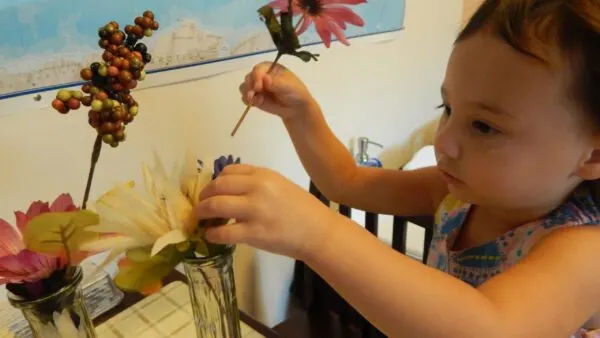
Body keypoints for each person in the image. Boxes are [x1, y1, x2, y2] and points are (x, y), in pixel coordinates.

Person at [194, 1, 600, 337]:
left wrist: (317, 234)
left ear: (594, 156)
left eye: (484, 126)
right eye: (448, 109)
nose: (442, 143)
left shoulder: (582, 250)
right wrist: (302, 115)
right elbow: (347, 182)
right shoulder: (454, 193)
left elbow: (491, 327)